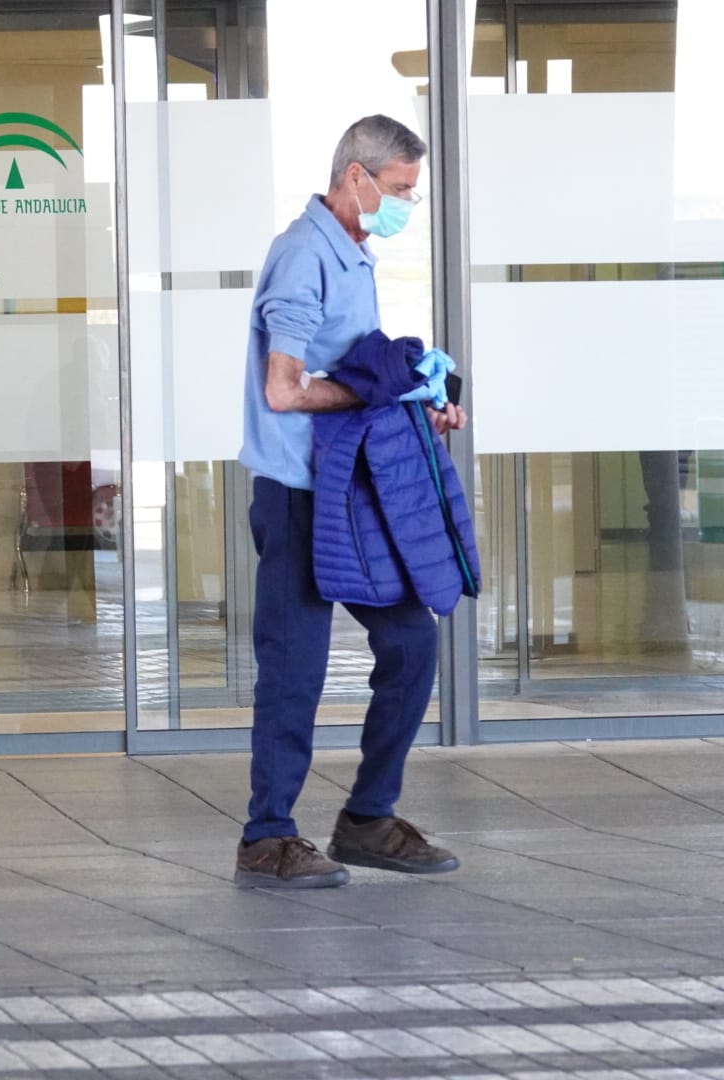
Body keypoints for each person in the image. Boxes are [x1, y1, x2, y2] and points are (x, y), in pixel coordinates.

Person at [235, 115, 467, 889]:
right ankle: (267, 838)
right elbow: (285, 386)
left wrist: (414, 396)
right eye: (400, 189)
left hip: (351, 489)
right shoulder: (304, 255)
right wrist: (370, 389)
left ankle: (367, 820)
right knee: (294, 670)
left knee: (411, 643)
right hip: (299, 495)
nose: (405, 203)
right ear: (356, 176)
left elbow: (352, 374)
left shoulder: (354, 255)